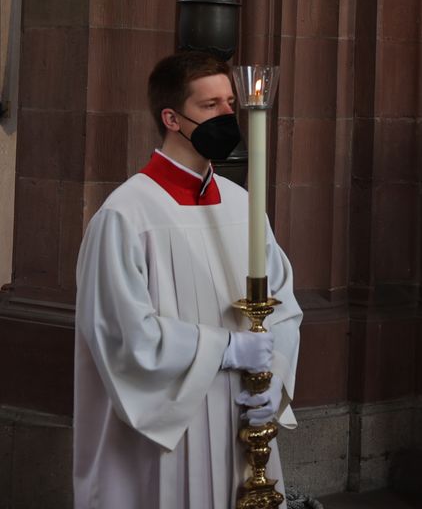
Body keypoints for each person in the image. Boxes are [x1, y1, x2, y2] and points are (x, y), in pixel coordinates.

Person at [73, 52, 303, 508]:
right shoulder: (125, 215)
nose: (226, 116)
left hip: (241, 413)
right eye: (209, 106)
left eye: (230, 103)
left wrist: (274, 376)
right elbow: (122, 338)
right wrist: (226, 347)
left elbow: (284, 305)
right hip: (170, 431)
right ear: (171, 118)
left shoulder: (242, 206)